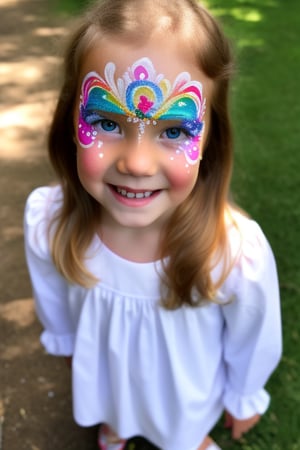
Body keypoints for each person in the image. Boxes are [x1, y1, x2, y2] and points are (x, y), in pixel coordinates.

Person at [24, 0, 282, 449]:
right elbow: (53, 299)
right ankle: (115, 425)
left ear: (209, 140)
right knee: (114, 405)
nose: (138, 163)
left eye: (174, 130)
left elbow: (253, 334)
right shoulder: (51, 220)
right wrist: (65, 340)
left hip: (182, 397)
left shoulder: (233, 252)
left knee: (178, 433)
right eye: (106, 121)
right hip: (109, 377)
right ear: (70, 120)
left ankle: (185, 439)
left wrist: (244, 396)